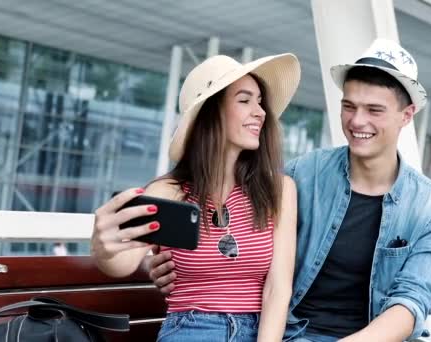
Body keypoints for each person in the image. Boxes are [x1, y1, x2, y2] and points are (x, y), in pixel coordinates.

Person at [149, 39, 431, 342]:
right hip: (297, 334)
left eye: (374, 110)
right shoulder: (301, 176)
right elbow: (231, 223)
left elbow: (411, 302)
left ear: (407, 114)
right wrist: (159, 262)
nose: (358, 120)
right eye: (349, 106)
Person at [90, 52, 301, 342]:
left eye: (260, 101)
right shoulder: (170, 191)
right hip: (192, 329)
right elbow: (123, 262)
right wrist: (104, 247)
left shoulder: (279, 190)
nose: (261, 112)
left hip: (260, 331)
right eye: (244, 100)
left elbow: (278, 289)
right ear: (211, 113)